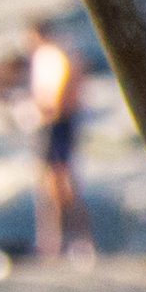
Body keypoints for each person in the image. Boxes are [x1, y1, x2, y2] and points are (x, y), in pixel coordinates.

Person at [23, 23, 97, 260]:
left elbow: (57, 97)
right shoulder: (47, 57)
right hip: (53, 123)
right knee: (51, 183)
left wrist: (41, 111)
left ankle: (73, 241)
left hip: (56, 123)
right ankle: (54, 242)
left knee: (61, 182)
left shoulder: (52, 56)